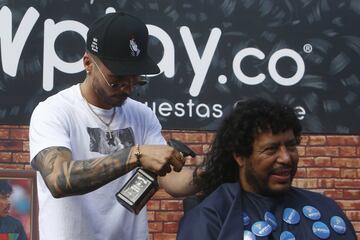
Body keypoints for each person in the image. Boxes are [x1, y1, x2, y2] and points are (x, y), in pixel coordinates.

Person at [29, 12, 196, 240]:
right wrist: (135, 155)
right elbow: (59, 180)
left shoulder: (142, 115)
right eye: (116, 80)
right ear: (88, 63)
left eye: (135, 79)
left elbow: (174, 182)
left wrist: (217, 172)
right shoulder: (53, 111)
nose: (127, 88)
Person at [177, 98, 356, 240]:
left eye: (291, 146)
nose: (286, 158)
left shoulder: (325, 209)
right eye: (271, 149)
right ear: (240, 156)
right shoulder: (211, 218)